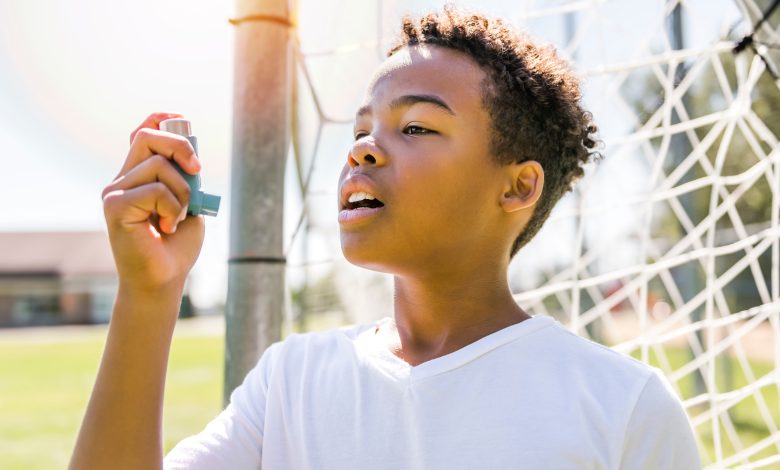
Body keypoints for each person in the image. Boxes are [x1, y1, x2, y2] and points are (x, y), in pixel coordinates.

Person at [70, 6, 702, 469]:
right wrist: (149, 295)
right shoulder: (290, 381)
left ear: (517, 188)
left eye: (418, 127)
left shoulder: (623, 409)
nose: (366, 149)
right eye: (361, 129)